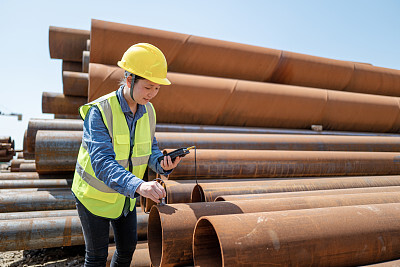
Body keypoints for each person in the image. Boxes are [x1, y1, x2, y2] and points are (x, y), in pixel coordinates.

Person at [71, 43, 181, 267]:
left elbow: (149, 149)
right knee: (96, 258)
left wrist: (162, 164)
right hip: (93, 198)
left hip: (125, 199)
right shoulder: (99, 112)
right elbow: (102, 162)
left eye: (157, 89)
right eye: (148, 87)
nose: (152, 94)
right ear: (129, 80)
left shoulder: (148, 111)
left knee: (127, 251)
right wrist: (141, 186)